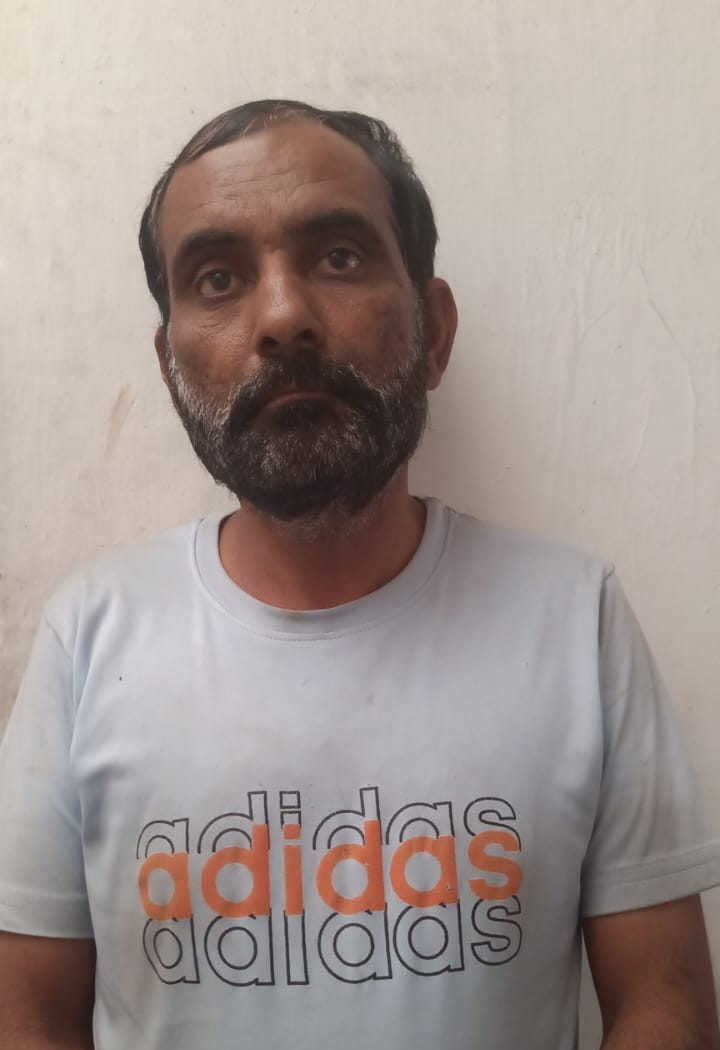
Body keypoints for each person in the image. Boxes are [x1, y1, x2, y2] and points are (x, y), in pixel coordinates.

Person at [0, 99, 718, 1050]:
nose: (283, 317)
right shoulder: (89, 637)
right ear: (169, 369)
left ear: (436, 330)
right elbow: (28, 1017)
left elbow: (665, 1004)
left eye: (339, 257)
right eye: (217, 278)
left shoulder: (573, 617)